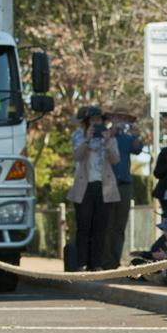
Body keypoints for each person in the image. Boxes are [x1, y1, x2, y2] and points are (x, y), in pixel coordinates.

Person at [67, 106, 120, 271]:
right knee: (83, 226)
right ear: (86, 122)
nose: (96, 123)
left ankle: (96, 263)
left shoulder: (110, 138)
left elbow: (115, 159)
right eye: (93, 120)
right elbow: (76, 156)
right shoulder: (78, 135)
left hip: (104, 187)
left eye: (99, 120)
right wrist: (87, 140)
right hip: (84, 187)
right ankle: (81, 262)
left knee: (100, 227)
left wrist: (108, 141)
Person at [102, 102, 143, 269]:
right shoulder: (106, 135)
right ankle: (104, 261)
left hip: (125, 184)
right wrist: (111, 132)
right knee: (107, 224)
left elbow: (137, 149)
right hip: (108, 183)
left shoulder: (128, 138)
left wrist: (136, 134)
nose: (121, 121)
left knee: (119, 225)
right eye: (118, 117)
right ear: (112, 119)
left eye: (124, 119)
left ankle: (114, 261)